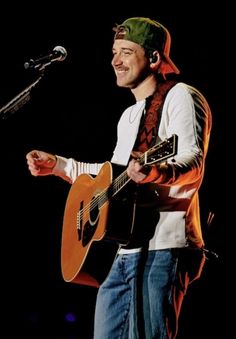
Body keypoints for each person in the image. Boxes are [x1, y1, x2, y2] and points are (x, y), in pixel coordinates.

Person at [26, 17, 212, 339]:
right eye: (114, 52)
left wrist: (155, 170)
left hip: (164, 246)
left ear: (154, 58)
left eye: (126, 52)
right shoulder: (128, 116)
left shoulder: (181, 96)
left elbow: (192, 162)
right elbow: (111, 177)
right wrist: (60, 165)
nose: (115, 61)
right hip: (122, 249)